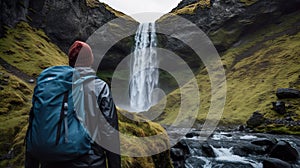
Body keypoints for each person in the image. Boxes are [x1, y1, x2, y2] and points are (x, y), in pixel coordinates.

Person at [25, 41, 121, 168]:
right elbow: (109, 133)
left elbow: (35, 125)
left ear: (70, 61)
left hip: (51, 162)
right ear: (90, 61)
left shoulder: (50, 87)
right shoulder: (99, 87)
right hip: (90, 162)